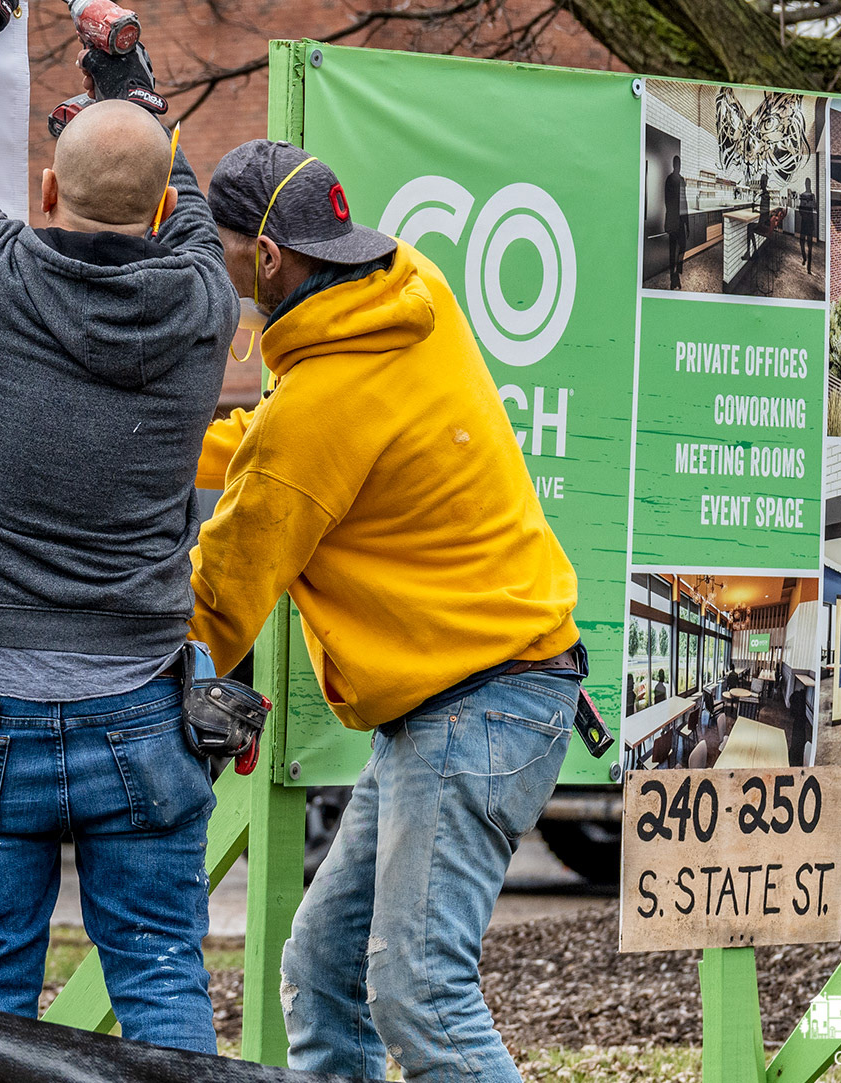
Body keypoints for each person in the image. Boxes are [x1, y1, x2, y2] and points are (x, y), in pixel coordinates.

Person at [0, 0, 238, 1052]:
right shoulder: (202, 305)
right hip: (141, 705)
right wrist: (128, 74)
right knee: (163, 979)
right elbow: (172, 194)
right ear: (167, 207)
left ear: (44, 192)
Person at [189, 140, 583, 1083]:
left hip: (473, 707)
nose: (218, 267)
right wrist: (167, 439)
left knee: (418, 988)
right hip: (478, 700)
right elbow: (281, 440)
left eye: (225, 247)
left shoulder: (319, 406)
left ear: (271, 260)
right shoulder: (408, 290)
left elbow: (218, 605)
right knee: (324, 970)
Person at [665, 153, 688, 289]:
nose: (678, 166)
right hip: (674, 219)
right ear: (674, 165)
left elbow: (684, 200)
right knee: (673, 249)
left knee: (681, 246)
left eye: (679, 164)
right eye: (677, 164)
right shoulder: (670, 180)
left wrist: (687, 222)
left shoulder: (681, 180)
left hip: (679, 219)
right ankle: (673, 275)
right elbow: (667, 201)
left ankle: (677, 271)